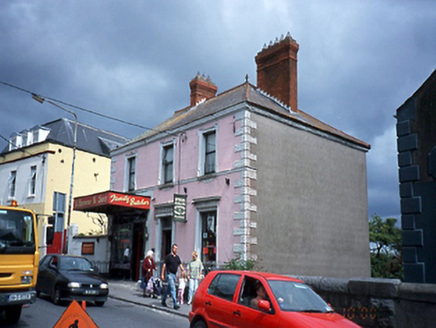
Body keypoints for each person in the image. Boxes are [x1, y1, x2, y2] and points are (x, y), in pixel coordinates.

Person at [161, 243, 185, 309]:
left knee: (169, 289)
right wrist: (162, 274)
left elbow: (180, 265)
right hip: (169, 274)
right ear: (172, 249)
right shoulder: (168, 257)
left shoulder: (177, 258)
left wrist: (183, 270)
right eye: (175, 248)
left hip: (174, 275)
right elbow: (164, 265)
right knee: (173, 288)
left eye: (177, 249)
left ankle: (163, 299)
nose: (176, 250)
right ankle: (175, 304)